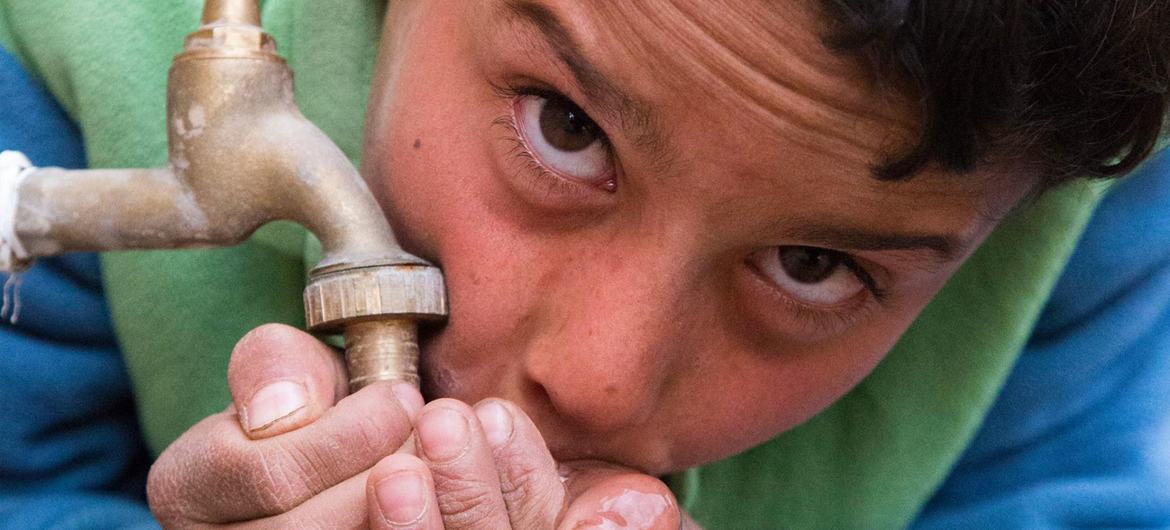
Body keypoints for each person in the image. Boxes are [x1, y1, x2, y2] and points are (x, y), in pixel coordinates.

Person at [1, 0, 1168, 528]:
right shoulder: (56, 81)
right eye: (566, 127)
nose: (598, 377)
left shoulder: (1079, 178)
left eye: (813, 262)